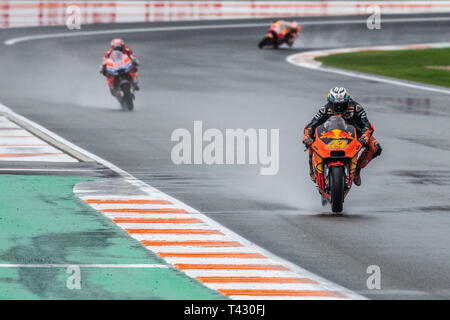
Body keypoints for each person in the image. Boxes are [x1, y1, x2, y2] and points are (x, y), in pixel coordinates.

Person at [302, 87, 382, 186]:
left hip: (354, 132)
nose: (339, 109)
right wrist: (307, 136)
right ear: (330, 103)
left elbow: (367, 125)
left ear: (348, 102)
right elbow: (311, 125)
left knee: (375, 147)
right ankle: (312, 169)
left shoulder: (356, 108)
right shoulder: (325, 109)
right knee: (311, 139)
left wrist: (364, 137)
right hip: (330, 133)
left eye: (342, 105)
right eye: (335, 106)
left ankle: (357, 169)